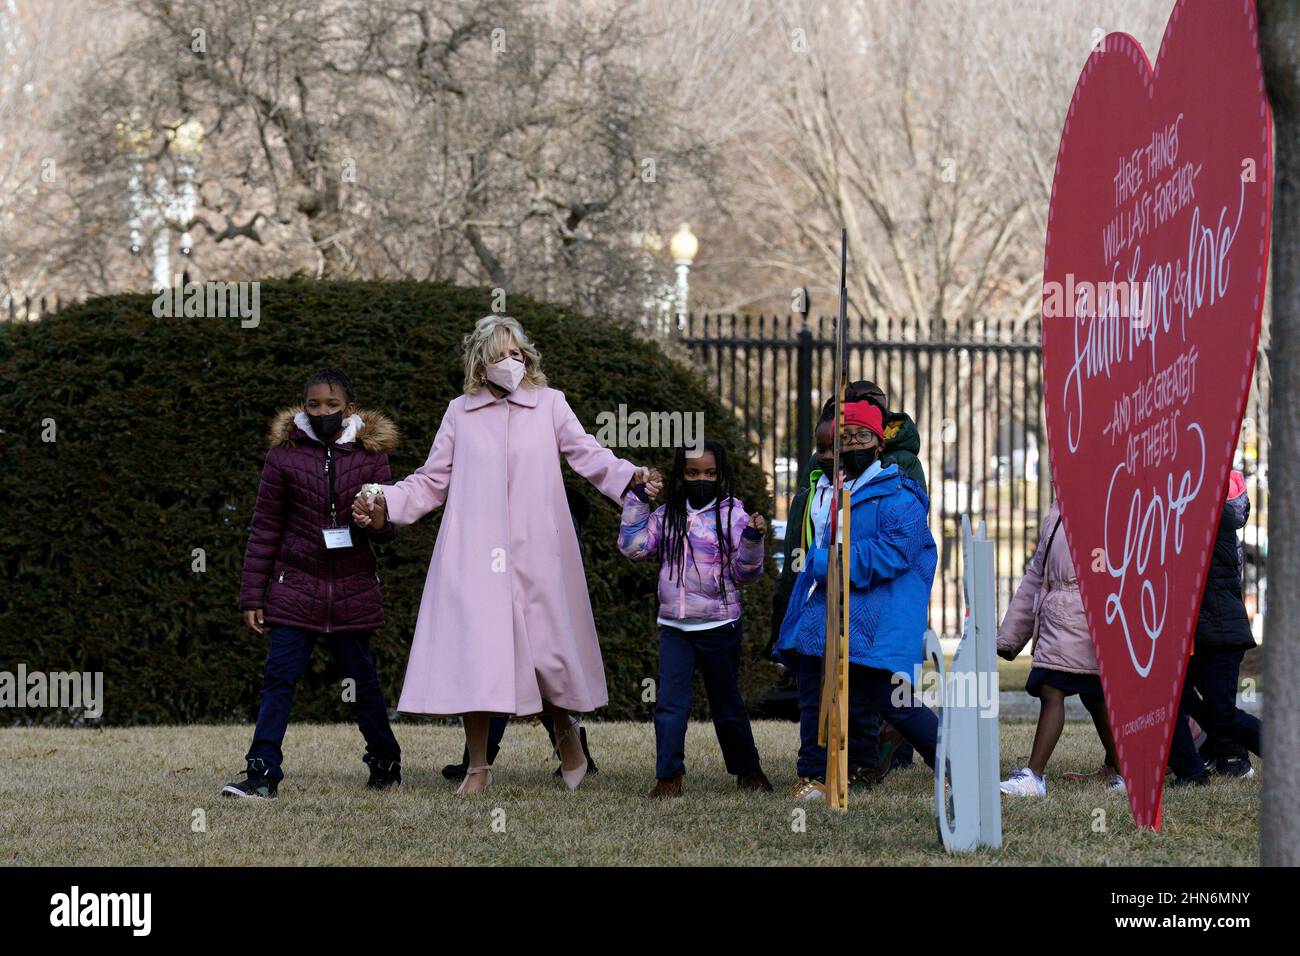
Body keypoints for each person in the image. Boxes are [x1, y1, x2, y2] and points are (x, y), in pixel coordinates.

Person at [355, 315, 650, 795]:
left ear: (528, 358)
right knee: (480, 658)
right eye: (499, 355)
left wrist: (629, 475)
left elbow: (587, 454)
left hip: (540, 550)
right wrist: (386, 501)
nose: (510, 362)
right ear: (480, 363)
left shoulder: (550, 405)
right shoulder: (460, 412)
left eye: (517, 354)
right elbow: (432, 480)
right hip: (475, 551)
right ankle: (477, 768)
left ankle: (568, 739)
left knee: (548, 655)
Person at [225, 368, 403, 799]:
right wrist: (253, 594)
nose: (322, 412)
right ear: (303, 407)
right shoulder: (282, 457)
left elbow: (388, 527)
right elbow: (265, 527)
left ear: (350, 408)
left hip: (352, 585)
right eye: (313, 405)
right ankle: (262, 772)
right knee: (278, 679)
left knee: (363, 683)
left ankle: (385, 762)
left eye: (332, 405)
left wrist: (376, 520)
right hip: (294, 587)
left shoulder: (371, 456)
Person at [773, 401, 939, 800]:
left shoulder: (901, 496)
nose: (853, 444)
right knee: (813, 688)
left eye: (862, 436)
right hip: (827, 612)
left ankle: (951, 760)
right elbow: (822, 548)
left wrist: (838, 562)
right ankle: (814, 773)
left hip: (871, 619)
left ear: (879, 443)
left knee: (890, 699)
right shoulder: (838, 493)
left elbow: (898, 552)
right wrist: (823, 563)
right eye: (845, 438)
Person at [618, 439, 774, 798]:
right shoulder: (665, 515)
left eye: (709, 473)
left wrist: (752, 540)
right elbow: (633, 547)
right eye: (692, 472)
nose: (700, 478)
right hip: (675, 628)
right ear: (680, 474)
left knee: (727, 703)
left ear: (721, 476)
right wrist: (639, 499)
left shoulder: (734, 515)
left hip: (720, 626)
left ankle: (748, 770)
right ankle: (668, 777)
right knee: (670, 705)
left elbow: (746, 574)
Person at [996, 500, 1122, 796]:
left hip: (1084, 618)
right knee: (1093, 697)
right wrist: (1011, 635)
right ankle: (1125, 774)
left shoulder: (1106, 503)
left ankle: (1034, 776)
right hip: (1060, 618)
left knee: (1055, 689)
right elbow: (1036, 575)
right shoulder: (1056, 511)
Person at [1167, 471, 1262, 786]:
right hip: (1207, 630)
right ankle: (1193, 769)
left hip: (1217, 631)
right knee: (1173, 697)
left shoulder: (1205, 516)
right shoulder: (1216, 517)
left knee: (1220, 714)